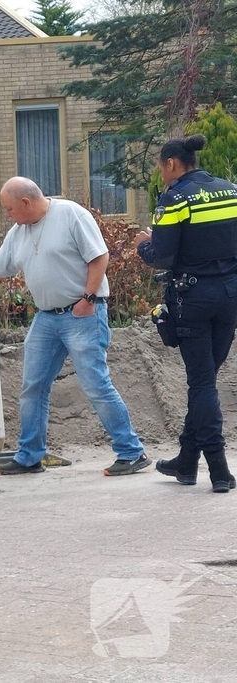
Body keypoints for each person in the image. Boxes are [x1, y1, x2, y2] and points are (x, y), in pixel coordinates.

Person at [0, 177, 147, 475]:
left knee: (95, 384)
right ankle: (30, 456)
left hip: (83, 315)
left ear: (26, 202)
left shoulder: (71, 215)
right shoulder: (18, 233)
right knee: (32, 387)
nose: (6, 214)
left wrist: (88, 298)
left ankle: (131, 452)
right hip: (46, 319)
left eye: (9, 208)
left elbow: (99, 256)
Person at [133, 134, 237, 493]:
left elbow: (162, 257)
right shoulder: (230, 190)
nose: (161, 174)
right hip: (230, 296)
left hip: (193, 299)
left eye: (161, 168)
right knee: (206, 380)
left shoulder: (175, 198)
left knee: (202, 384)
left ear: (172, 164)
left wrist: (144, 245)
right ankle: (187, 461)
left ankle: (219, 470)